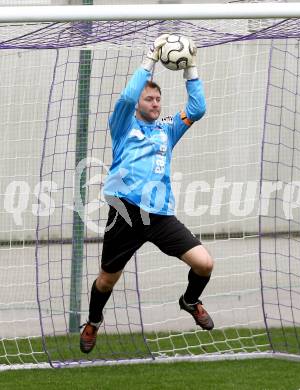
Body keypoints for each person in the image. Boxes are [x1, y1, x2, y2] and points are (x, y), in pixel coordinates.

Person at [80, 34, 214, 354]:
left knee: (204, 264)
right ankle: (93, 322)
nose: (154, 103)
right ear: (139, 104)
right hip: (126, 212)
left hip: (160, 216)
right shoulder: (124, 125)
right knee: (107, 280)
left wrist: (190, 68)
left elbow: (198, 108)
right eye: (149, 99)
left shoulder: (168, 128)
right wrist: (149, 59)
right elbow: (126, 97)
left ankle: (190, 300)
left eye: (157, 99)